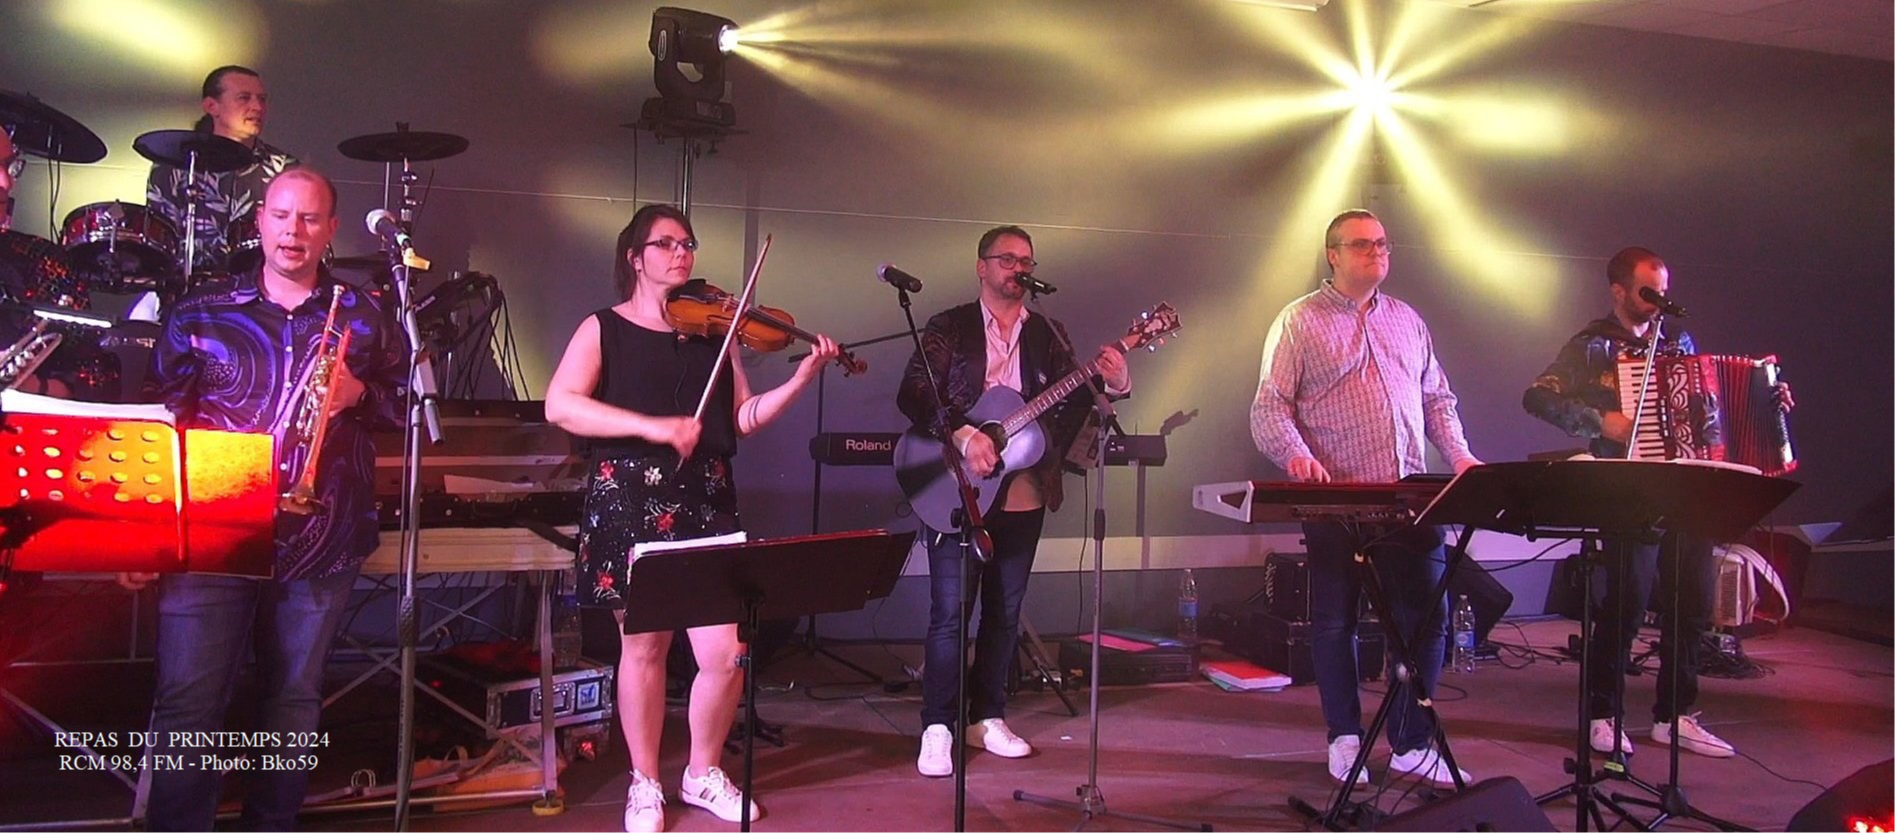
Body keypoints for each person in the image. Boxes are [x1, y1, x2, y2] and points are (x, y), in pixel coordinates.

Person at [120, 168, 406, 832]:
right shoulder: (201, 309)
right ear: (259, 222)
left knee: (293, 703)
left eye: (309, 218)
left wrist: (360, 395)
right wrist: (141, 531)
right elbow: (157, 424)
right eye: (281, 216)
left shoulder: (365, 314)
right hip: (212, 534)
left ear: (331, 229)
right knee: (188, 705)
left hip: (322, 537)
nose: (293, 231)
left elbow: (408, 408)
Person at [543, 203, 839, 833]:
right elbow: (561, 405)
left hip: (705, 498)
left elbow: (743, 419)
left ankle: (702, 772)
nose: (681, 253)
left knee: (727, 652)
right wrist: (654, 427)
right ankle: (645, 782)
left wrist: (802, 378)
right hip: (630, 497)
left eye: (688, 243)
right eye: (666, 243)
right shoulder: (604, 328)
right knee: (644, 648)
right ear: (635, 257)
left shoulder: (716, 335)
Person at [1522, 246, 1791, 760]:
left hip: (1686, 485)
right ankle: (1603, 715)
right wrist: (1600, 421)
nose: (1659, 300)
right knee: (1624, 606)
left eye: (1663, 291)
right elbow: (1538, 396)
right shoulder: (1592, 345)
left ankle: (1675, 715)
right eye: (1649, 291)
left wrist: (1767, 402)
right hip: (1629, 490)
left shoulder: (1678, 342)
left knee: (1691, 604)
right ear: (1618, 291)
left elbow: (1709, 410)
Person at [1250, 209, 1480, 787]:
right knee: (1336, 622)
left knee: (1427, 620)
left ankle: (1410, 741)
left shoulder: (1407, 319)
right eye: (1362, 244)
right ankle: (1344, 738)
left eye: (1383, 244)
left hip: (1408, 496)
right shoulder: (1300, 320)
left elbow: (1437, 400)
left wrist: (1460, 458)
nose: (1377, 252)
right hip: (1337, 498)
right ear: (1333, 254)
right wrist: (1295, 454)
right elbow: (1270, 406)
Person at [896, 225, 1129, 778]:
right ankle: (938, 724)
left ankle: (986, 716)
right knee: (950, 613)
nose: (1019, 268)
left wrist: (1114, 383)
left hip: (1022, 486)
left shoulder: (1048, 332)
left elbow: (1075, 405)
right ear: (982, 267)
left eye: (1026, 261)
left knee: (1004, 611)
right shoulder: (949, 326)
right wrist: (964, 436)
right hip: (956, 483)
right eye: (1007, 259)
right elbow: (914, 392)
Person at [146, 65, 298, 276]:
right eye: (244, 98)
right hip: (186, 286)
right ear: (211, 106)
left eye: (262, 99)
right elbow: (160, 242)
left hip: (258, 288)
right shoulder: (172, 164)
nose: (257, 107)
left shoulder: (284, 168)